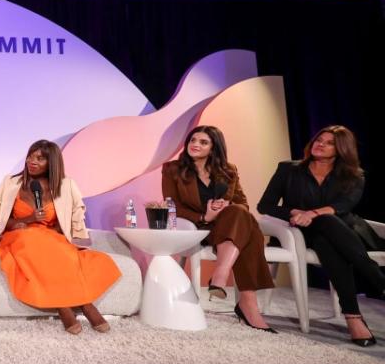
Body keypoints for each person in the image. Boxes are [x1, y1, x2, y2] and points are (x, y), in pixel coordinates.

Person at [259, 125, 385, 346]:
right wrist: (294, 212)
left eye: (329, 143)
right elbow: (265, 205)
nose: (320, 144)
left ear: (342, 149)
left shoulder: (354, 175)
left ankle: (353, 317)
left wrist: (313, 213)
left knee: (326, 233)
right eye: (319, 139)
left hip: (342, 231)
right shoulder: (288, 169)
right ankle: (376, 282)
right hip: (300, 232)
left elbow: (343, 206)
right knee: (324, 232)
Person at [0, 140, 120, 334]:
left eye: (40, 158)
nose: (32, 161)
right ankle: (68, 306)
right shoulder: (11, 183)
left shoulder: (66, 185)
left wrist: (61, 231)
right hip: (18, 236)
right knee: (32, 239)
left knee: (61, 252)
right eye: (31, 156)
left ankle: (82, 304)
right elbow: (0, 220)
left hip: (49, 237)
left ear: (52, 163)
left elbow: (70, 217)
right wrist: (28, 219)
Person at [163, 125, 276, 333]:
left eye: (203, 142)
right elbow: (172, 205)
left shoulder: (228, 170)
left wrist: (225, 207)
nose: (195, 145)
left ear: (214, 148)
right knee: (248, 233)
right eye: (193, 140)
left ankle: (221, 276)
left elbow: (243, 204)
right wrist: (204, 216)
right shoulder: (173, 169)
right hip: (196, 228)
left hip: (226, 227)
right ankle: (247, 304)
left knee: (239, 213)